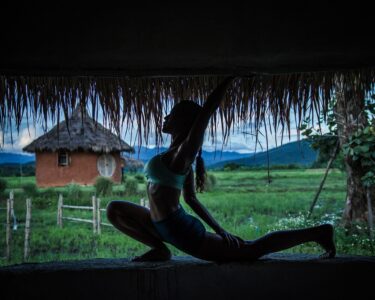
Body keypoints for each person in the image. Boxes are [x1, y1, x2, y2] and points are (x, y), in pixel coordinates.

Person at [106, 77, 336, 262]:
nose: (166, 116)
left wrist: (229, 77)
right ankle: (160, 250)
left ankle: (319, 232)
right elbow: (192, 199)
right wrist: (219, 228)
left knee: (250, 250)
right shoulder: (172, 155)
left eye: (172, 113)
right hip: (159, 225)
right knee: (114, 209)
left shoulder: (183, 155)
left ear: (185, 122)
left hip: (179, 229)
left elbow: (205, 114)